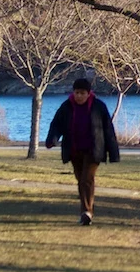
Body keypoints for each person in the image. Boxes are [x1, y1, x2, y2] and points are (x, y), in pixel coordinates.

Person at [45, 78, 120, 226]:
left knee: (86, 178)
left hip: (94, 150)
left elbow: (108, 130)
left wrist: (113, 153)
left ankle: (86, 212)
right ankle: (86, 211)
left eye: (82, 93)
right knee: (81, 180)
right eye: (77, 92)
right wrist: (52, 140)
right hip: (74, 150)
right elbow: (56, 124)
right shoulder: (66, 107)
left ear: (88, 93)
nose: (79, 96)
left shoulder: (98, 107)